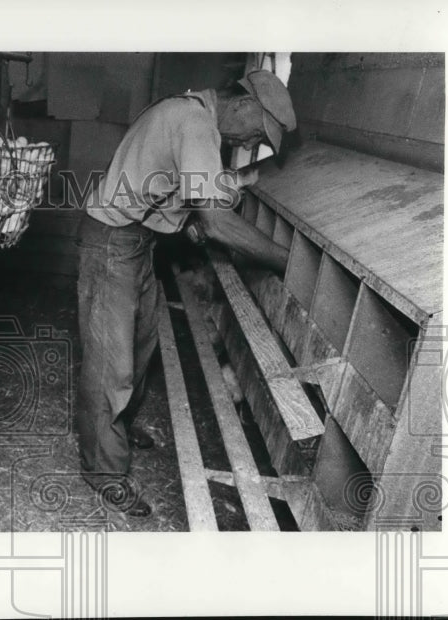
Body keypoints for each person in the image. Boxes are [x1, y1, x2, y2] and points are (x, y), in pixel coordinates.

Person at [75, 69, 297, 517]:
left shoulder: (193, 115)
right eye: (256, 130)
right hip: (111, 241)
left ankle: (117, 425)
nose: (251, 139)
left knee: (141, 345)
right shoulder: (195, 122)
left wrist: (188, 219)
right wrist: (283, 259)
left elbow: (179, 189)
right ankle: (103, 471)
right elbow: (217, 220)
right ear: (244, 103)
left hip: (138, 240)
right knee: (110, 363)